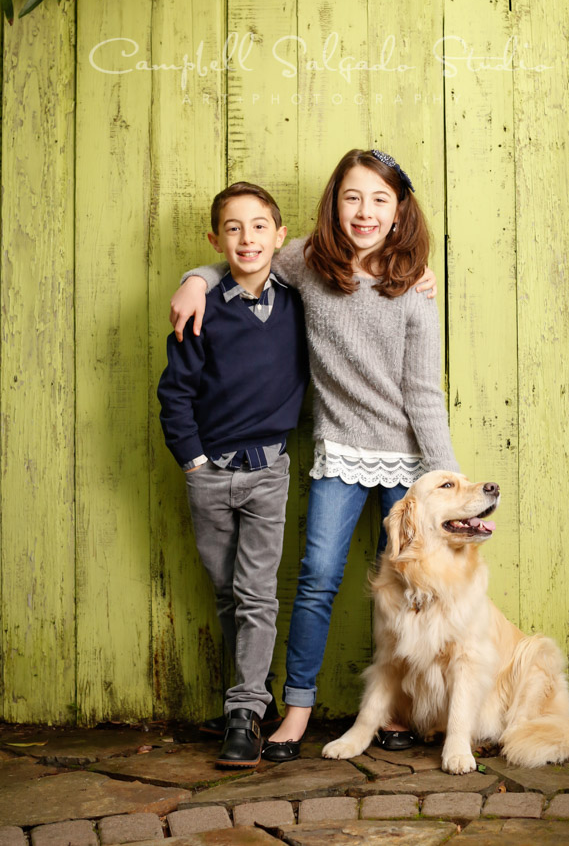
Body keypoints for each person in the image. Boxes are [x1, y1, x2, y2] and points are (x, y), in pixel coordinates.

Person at [170, 149, 459, 762]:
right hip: (339, 454)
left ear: (399, 210)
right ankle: (297, 710)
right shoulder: (308, 262)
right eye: (353, 197)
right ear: (335, 202)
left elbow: (423, 392)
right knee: (317, 580)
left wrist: (444, 478)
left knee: (408, 589)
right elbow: (246, 261)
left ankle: (396, 712)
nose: (365, 211)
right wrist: (195, 278)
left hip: (406, 462)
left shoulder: (414, 286)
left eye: (380, 200)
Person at [157, 182, 309, 769]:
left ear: (279, 234)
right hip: (209, 475)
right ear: (216, 239)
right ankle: (251, 696)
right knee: (228, 594)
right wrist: (193, 462)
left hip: (268, 472)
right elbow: (175, 394)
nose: (247, 238)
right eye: (233, 228)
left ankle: (243, 713)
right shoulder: (203, 306)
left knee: (256, 594)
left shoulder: (299, 302)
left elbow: (351, 267)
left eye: (258, 226)